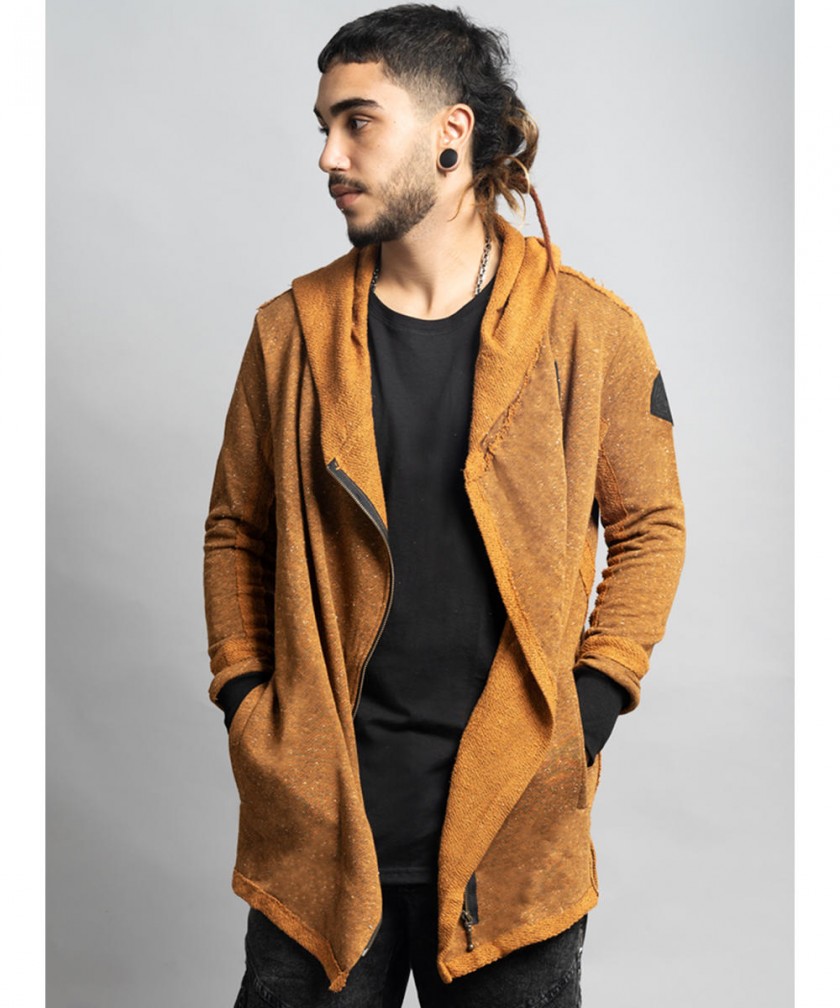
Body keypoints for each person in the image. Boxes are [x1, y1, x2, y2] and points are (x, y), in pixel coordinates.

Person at [203, 5, 686, 1005]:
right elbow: (234, 530)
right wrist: (251, 703)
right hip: (318, 836)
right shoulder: (290, 333)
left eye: (358, 121)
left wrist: (588, 709)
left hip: (515, 838)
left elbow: (651, 528)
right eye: (323, 125)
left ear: (451, 135)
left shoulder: (590, 330)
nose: (328, 155)